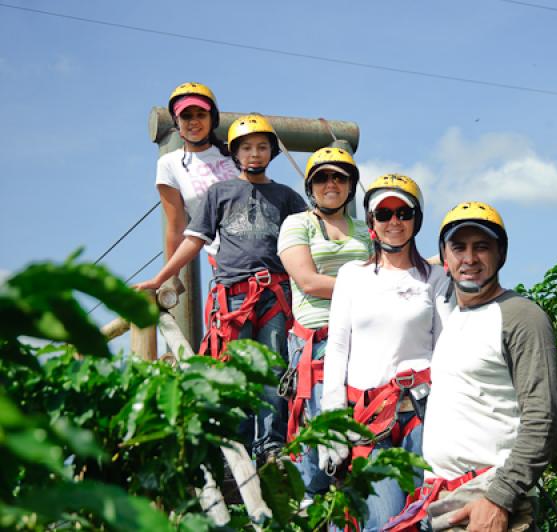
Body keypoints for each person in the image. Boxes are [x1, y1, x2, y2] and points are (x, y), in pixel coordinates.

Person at [383, 202, 557, 532]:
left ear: (501, 255)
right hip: (443, 504)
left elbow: (544, 419)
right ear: (445, 257)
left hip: (489, 502)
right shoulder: (453, 316)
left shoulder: (520, 316)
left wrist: (499, 499)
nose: (469, 258)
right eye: (459, 247)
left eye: (482, 247)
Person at [136, 113, 307, 459]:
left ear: (272, 152)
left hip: (275, 294)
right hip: (234, 294)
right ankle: (237, 447)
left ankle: (272, 445)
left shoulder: (287, 198)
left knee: (274, 366)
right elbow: (193, 240)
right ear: (235, 153)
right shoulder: (220, 193)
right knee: (233, 370)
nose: (254, 154)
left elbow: (311, 240)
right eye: (246, 148)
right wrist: (161, 277)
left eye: (262, 147)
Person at [319, 174, 452, 531]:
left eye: (403, 212)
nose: (394, 221)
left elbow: (448, 348)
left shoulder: (436, 280)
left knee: (431, 519)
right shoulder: (351, 276)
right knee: (383, 521)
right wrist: (331, 423)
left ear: (415, 220)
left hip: (424, 417)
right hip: (370, 420)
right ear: (372, 223)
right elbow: (337, 347)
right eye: (384, 214)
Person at [276, 147, 371, 496]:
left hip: (362, 336)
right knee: (322, 427)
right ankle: (312, 502)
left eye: (339, 177)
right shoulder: (298, 224)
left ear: (350, 185)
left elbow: (394, 271)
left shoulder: (366, 230)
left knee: (363, 423)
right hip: (318, 338)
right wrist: (373, 287)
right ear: (311, 187)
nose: (331, 184)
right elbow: (308, 281)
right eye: (322, 178)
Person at [156, 82, 238, 260]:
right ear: (177, 121)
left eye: (201, 114)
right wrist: (170, 277)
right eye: (186, 116)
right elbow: (176, 227)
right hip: (227, 261)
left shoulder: (236, 153)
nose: (194, 121)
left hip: (270, 250)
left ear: (212, 119)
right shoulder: (169, 164)